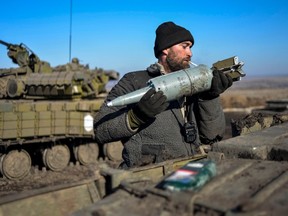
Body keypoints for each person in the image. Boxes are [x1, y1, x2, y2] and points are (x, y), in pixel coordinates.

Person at [94, 21, 233, 168]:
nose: (190, 53)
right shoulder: (134, 81)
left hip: (189, 172)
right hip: (150, 177)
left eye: (190, 48)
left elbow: (212, 136)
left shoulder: (195, 85)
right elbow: (100, 129)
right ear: (166, 49)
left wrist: (210, 97)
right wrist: (135, 117)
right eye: (184, 46)